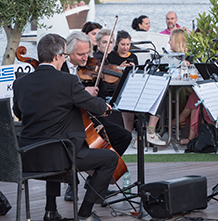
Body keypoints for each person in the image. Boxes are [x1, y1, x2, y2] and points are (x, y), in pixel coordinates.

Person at [12, 33, 117, 221]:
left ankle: (50, 210)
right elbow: (96, 107)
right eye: (64, 56)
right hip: (59, 158)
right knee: (109, 159)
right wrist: (104, 105)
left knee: (53, 138)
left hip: (27, 157)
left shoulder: (20, 83)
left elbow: (19, 114)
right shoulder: (68, 81)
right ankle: (84, 215)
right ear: (57, 57)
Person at [62, 31, 131, 202]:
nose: (86, 58)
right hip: (71, 120)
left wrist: (96, 99)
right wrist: (83, 93)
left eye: (87, 53)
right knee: (79, 143)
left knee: (124, 136)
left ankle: (97, 181)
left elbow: (103, 95)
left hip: (92, 117)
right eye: (80, 54)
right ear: (68, 53)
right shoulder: (60, 70)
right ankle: (72, 183)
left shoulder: (93, 68)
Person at [108, 30, 166, 147]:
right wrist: (120, 68)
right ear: (117, 44)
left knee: (157, 95)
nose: (125, 47)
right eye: (123, 44)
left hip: (134, 85)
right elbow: (109, 72)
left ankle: (150, 131)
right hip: (118, 87)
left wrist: (134, 69)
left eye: (128, 45)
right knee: (128, 98)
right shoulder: (111, 56)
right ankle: (129, 132)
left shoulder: (133, 56)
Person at [168, 28, 210, 145]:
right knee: (194, 96)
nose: (168, 42)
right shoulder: (170, 57)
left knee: (195, 93)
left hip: (190, 87)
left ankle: (181, 117)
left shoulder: (191, 57)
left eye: (170, 39)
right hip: (185, 88)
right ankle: (182, 120)